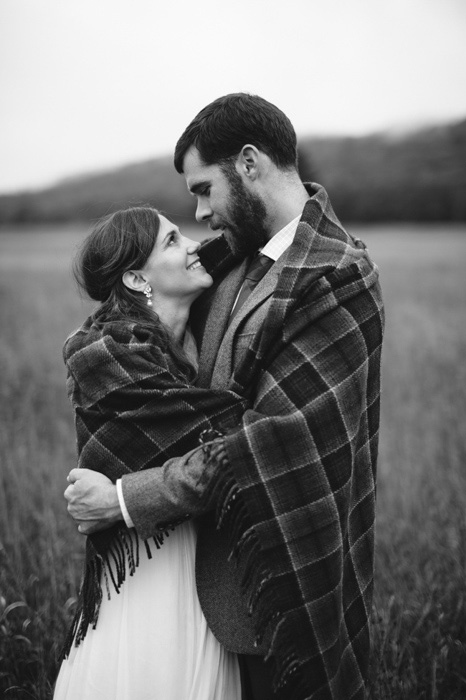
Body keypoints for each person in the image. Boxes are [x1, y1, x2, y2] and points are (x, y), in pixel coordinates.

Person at [65, 93, 385, 700]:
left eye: (205, 188)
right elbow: (139, 313)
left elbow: (268, 443)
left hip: (280, 578)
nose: (200, 211)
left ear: (247, 163)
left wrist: (125, 499)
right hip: (197, 580)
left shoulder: (335, 277)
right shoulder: (232, 258)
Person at [54, 206, 251, 700]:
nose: (192, 245)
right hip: (144, 559)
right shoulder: (109, 354)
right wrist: (122, 499)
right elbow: (233, 444)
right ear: (138, 278)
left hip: (211, 560)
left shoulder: (209, 338)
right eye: (172, 241)